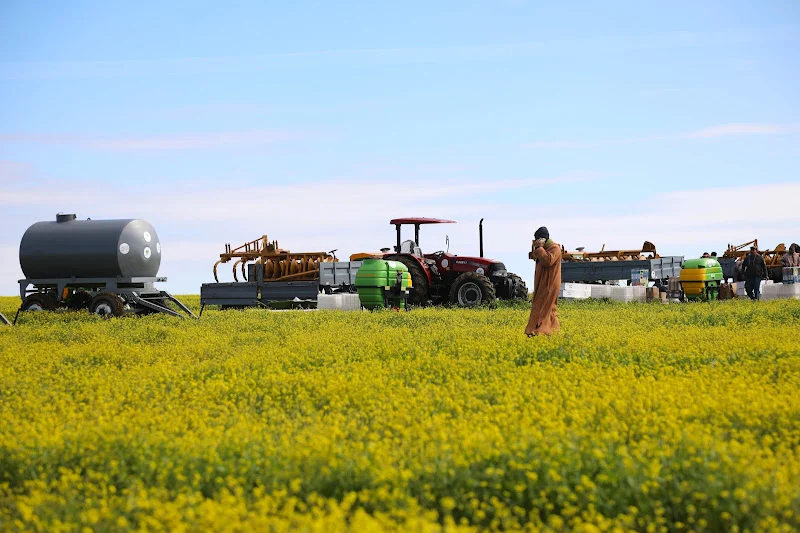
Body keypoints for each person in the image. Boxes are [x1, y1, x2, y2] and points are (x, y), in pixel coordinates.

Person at [525, 226, 562, 336]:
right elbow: (533, 256)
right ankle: (554, 331)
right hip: (543, 283)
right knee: (549, 308)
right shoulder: (544, 249)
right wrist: (536, 249)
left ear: (543, 239)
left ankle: (539, 332)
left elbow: (548, 261)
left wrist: (540, 248)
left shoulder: (555, 248)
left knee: (543, 307)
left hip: (549, 283)